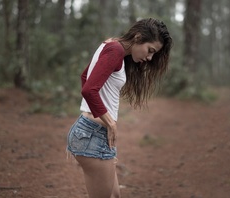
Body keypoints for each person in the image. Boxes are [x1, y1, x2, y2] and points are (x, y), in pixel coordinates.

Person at [67, 18, 172, 198]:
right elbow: (89, 89)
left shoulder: (113, 48)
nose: (149, 58)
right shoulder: (115, 49)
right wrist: (110, 123)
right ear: (138, 37)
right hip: (93, 135)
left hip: (93, 133)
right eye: (150, 51)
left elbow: (85, 76)